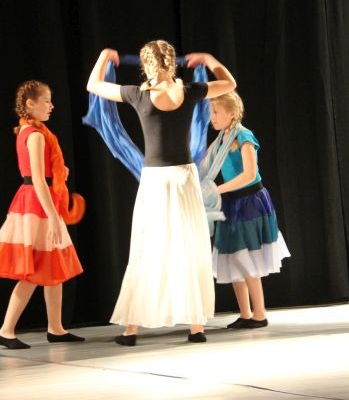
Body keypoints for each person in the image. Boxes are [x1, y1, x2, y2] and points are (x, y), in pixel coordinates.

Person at [86, 40, 237, 345]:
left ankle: (131, 330)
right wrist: (208, 58)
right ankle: (196, 328)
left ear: (146, 65)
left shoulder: (138, 94)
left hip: (155, 181)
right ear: (171, 62)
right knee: (189, 248)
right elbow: (230, 83)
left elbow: (93, 85)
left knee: (147, 249)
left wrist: (104, 56)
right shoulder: (190, 91)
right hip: (184, 179)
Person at [0, 80, 86, 349]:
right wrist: (52, 217)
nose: (51, 106)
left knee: (54, 267)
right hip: (38, 203)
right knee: (34, 270)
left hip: (38, 199)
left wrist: (60, 173)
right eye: (47, 101)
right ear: (31, 103)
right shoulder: (36, 135)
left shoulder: (29, 131)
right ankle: (6, 330)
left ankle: (56, 328)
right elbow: (38, 179)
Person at [207, 90, 290, 328]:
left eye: (216, 112)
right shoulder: (221, 138)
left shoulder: (244, 136)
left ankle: (260, 313)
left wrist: (217, 190)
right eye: (211, 112)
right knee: (233, 257)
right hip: (232, 203)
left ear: (232, 114)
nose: (212, 117)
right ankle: (245, 313)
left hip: (250, 202)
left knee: (244, 258)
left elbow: (250, 175)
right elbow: (204, 162)